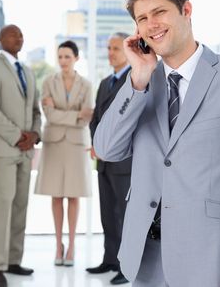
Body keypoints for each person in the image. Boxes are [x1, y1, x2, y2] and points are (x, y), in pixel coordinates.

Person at [93, 0, 220, 287]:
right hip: (146, 258)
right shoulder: (140, 83)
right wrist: (138, 78)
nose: (151, 24)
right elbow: (106, 148)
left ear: (186, 10)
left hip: (206, 255)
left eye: (159, 12)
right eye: (142, 18)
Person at [0, 24, 41, 287]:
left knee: (21, 206)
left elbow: (36, 110)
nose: (19, 37)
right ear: (1, 39)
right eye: (13, 34)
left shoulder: (28, 72)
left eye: (21, 34)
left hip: (26, 151)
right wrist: (18, 135)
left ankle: (13, 261)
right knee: (3, 205)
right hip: (3, 149)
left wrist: (35, 134)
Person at [35, 40, 93, 267]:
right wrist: (75, 114)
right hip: (54, 144)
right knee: (56, 196)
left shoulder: (87, 84)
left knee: (74, 196)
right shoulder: (48, 82)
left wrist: (65, 114)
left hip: (77, 144)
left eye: (67, 56)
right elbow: (49, 115)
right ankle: (58, 245)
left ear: (77, 58)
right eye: (60, 57)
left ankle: (72, 246)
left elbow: (87, 116)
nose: (63, 61)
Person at [86, 32, 132, 285]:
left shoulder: (135, 80)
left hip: (124, 162)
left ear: (127, 51)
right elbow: (96, 119)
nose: (110, 52)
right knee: (107, 214)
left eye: (115, 48)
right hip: (103, 161)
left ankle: (126, 267)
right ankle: (110, 260)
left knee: (125, 215)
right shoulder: (105, 82)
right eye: (109, 48)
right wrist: (96, 145)